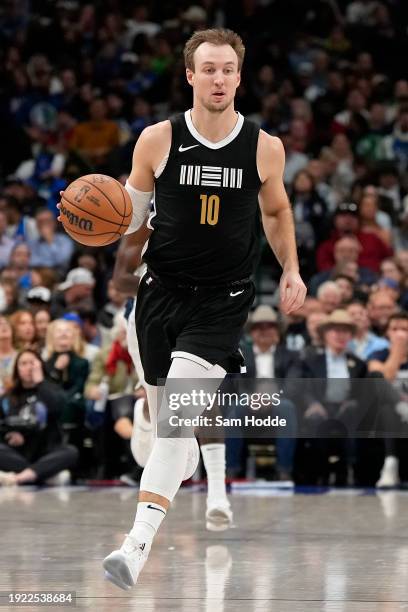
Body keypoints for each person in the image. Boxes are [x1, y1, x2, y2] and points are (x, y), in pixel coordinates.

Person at [58, 28, 306, 590]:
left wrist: (291, 269)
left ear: (239, 77)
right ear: (190, 76)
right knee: (173, 426)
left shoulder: (264, 146)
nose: (218, 78)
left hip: (225, 300)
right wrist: (85, 216)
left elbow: (276, 211)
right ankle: (182, 466)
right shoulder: (156, 139)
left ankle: (135, 545)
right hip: (160, 294)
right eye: (208, 69)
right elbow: (128, 217)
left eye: (227, 70)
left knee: (175, 425)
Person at [0, 349, 78, 486]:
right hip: (20, 452)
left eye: (32, 362)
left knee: (71, 451)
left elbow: (58, 409)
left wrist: (40, 383)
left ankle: (19, 478)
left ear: (41, 365)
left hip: (46, 449)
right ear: (17, 369)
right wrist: (10, 434)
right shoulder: (9, 396)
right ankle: (43, 475)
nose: (29, 367)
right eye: (23, 363)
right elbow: (4, 423)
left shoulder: (51, 388)